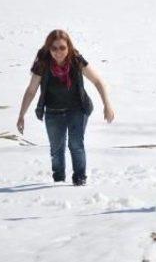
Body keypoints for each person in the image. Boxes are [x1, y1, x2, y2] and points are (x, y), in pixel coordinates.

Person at [16, 29, 115, 186]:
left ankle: (80, 179)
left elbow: (97, 81)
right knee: (57, 150)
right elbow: (31, 90)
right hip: (53, 112)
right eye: (54, 48)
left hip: (77, 110)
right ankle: (59, 181)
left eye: (62, 47)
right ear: (49, 49)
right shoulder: (43, 63)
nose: (58, 52)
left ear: (68, 47)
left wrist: (107, 105)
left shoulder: (76, 60)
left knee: (76, 145)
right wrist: (21, 115)